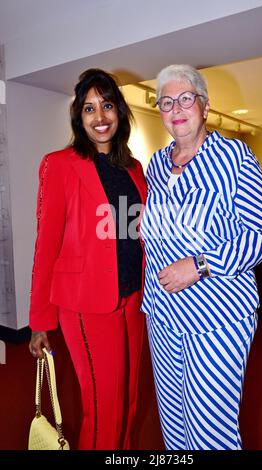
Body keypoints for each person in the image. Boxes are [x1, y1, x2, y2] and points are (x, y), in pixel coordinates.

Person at [140, 64, 262, 450]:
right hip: (163, 318)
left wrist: (201, 264)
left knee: (209, 432)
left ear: (203, 104)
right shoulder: (156, 164)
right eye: (166, 102)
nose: (176, 108)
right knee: (173, 425)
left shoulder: (234, 157)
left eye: (186, 97)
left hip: (216, 318)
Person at [28, 68, 147, 450]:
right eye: (89, 109)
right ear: (79, 118)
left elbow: (137, 232)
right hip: (86, 304)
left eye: (107, 106)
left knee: (128, 399)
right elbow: (45, 246)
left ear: (120, 112)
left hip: (132, 299)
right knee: (102, 406)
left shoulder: (133, 168)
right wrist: (39, 322)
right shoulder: (60, 164)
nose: (100, 117)